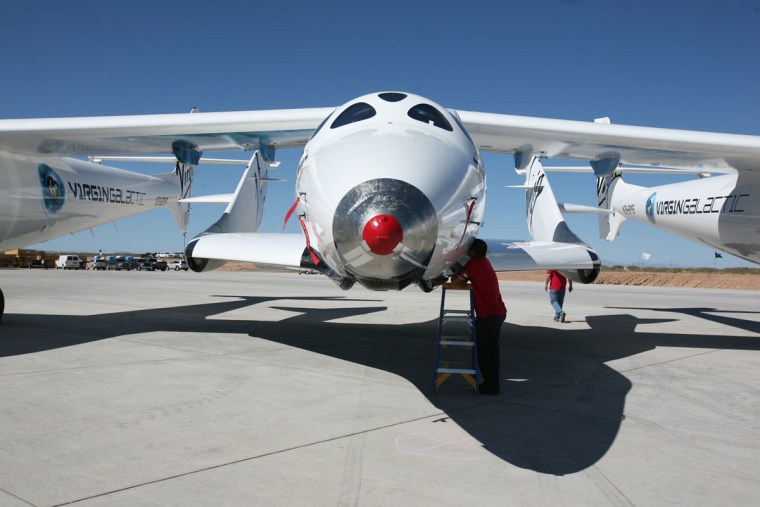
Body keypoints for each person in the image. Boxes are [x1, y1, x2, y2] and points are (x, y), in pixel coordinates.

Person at [456, 239, 507, 395]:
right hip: (498, 313)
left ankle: (491, 386)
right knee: (492, 350)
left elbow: (456, 281)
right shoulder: (485, 262)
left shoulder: (474, 264)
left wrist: (459, 274)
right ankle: (494, 383)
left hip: (488, 316)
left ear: (472, 252)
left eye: (468, 249)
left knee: (480, 349)